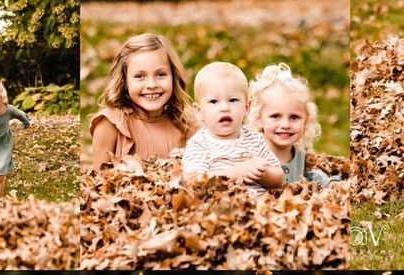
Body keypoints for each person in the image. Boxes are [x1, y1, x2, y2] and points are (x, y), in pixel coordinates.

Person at [90, 33, 195, 167]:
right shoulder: (111, 124)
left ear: (173, 77)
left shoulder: (188, 125)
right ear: (125, 81)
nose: (152, 84)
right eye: (140, 76)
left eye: (161, 74)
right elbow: (96, 182)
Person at [181, 62, 284, 188]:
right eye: (214, 102)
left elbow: (279, 177)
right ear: (199, 112)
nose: (225, 108)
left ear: (247, 107)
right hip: (220, 205)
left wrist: (264, 175)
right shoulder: (200, 143)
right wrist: (234, 173)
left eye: (233, 100)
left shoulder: (256, 140)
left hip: (260, 205)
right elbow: (194, 183)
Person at [248, 63, 334, 186]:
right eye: (275, 116)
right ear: (258, 118)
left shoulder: (299, 154)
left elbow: (305, 177)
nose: (285, 124)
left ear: (306, 120)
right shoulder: (252, 152)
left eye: (294, 117)